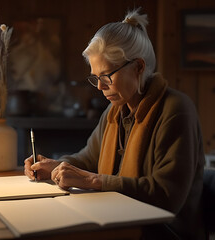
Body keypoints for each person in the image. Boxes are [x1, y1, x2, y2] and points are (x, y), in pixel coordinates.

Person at [24, 8, 205, 240]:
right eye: (95, 78)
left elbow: (166, 195)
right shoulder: (115, 110)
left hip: (164, 231)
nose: (99, 87)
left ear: (138, 67)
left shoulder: (176, 110)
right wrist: (56, 166)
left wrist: (92, 180)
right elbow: (88, 159)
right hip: (118, 219)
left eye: (106, 76)